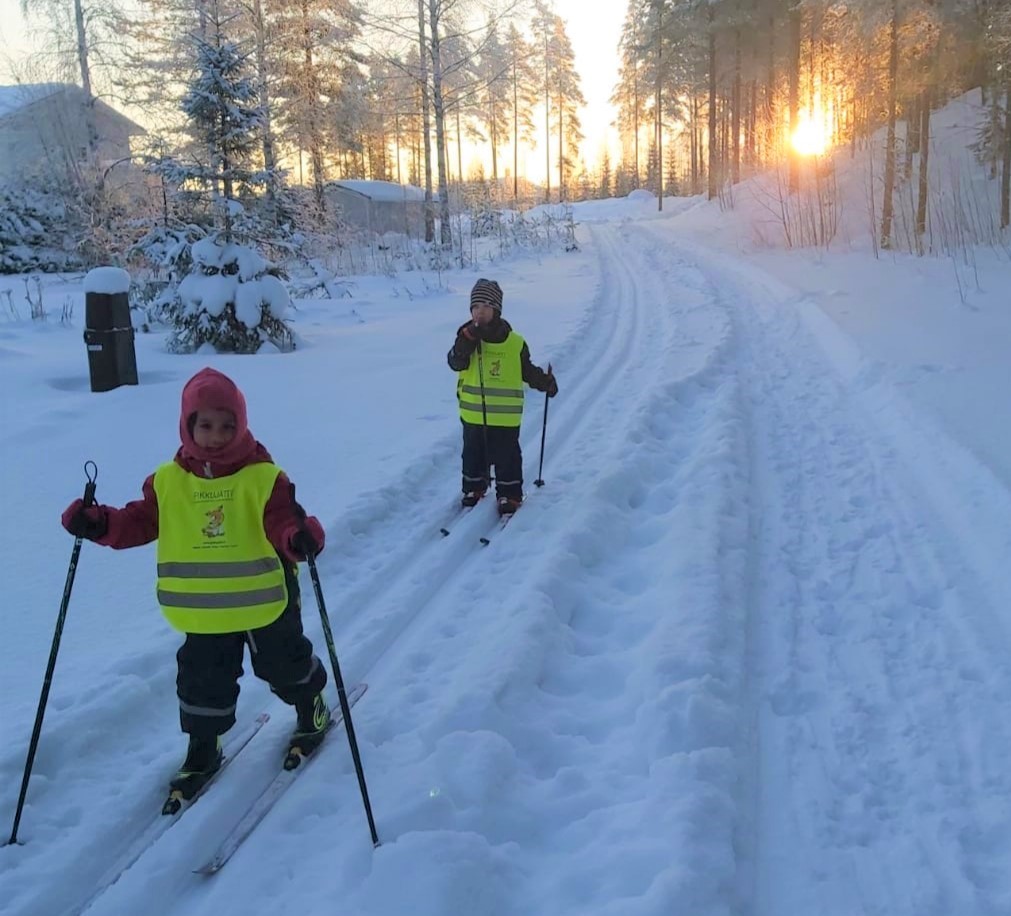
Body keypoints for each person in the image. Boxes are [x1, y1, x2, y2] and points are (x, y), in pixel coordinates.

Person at [61, 367, 330, 798]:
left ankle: (310, 706)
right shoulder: (168, 482)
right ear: (188, 425)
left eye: (228, 425)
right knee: (202, 681)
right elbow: (138, 522)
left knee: (284, 663)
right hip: (203, 610)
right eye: (205, 425)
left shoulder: (264, 477)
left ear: (241, 425)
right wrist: (98, 524)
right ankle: (203, 746)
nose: (216, 435)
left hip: (265, 599)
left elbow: (283, 520)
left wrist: (299, 537)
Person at [447, 278, 557, 516]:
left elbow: (526, 370)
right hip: (473, 413)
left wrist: (544, 382)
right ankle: (474, 488)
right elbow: (455, 362)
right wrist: (466, 341)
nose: (480, 312)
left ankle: (510, 494)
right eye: (475, 307)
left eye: (486, 306)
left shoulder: (514, 342)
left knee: (507, 458)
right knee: (473, 454)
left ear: (496, 309)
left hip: (505, 418)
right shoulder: (466, 337)